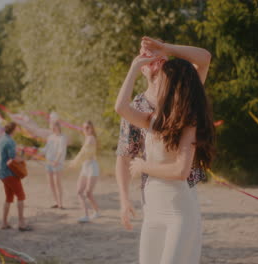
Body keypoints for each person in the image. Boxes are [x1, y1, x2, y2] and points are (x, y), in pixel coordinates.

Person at [115, 36, 215, 263]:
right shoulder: (144, 111)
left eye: (158, 58)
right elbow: (123, 153)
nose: (153, 61)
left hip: (180, 202)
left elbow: (205, 58)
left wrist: (164, 48)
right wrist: (135, 65)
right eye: (146, 57)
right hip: (152, 204)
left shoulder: (184, 102)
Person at [0, 122, 32, 231]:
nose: (18, 130)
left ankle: (4, 223)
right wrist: (24, 158)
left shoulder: (2, 139)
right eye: (17, 128)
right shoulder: (10, 141)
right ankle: (21, 223)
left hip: (2, 173)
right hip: (10, 174)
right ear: (13, 130)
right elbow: (13, 158)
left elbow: (7, 154)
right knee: (21, 196)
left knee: (9, 198)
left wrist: (18, 151)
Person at [69, 121, 100, 223]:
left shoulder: (91, 138)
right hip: (85, 166)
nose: (86, 130)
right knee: (79, 191)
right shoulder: (87, 138)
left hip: (92, 166)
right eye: (84, 128)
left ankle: (96, 212)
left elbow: (83, 153)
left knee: (88, 192)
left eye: (88, 128)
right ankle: (86, 215)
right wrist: (75, 162)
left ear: (92, 128)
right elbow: (82, 154)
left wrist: (74, 162)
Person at [42, 121, 67, 209]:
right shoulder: (50, 137)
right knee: (51, 183)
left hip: (57, 163)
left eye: (54, 126)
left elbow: (61, 150)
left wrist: (56, 161)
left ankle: (60, 203)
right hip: (48, 162)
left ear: (58, 127)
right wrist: (36, 151)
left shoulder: (62, 137)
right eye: (51, 127)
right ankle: (56, 202)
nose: (52, 128)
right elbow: (46, 149)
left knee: (57, 183)